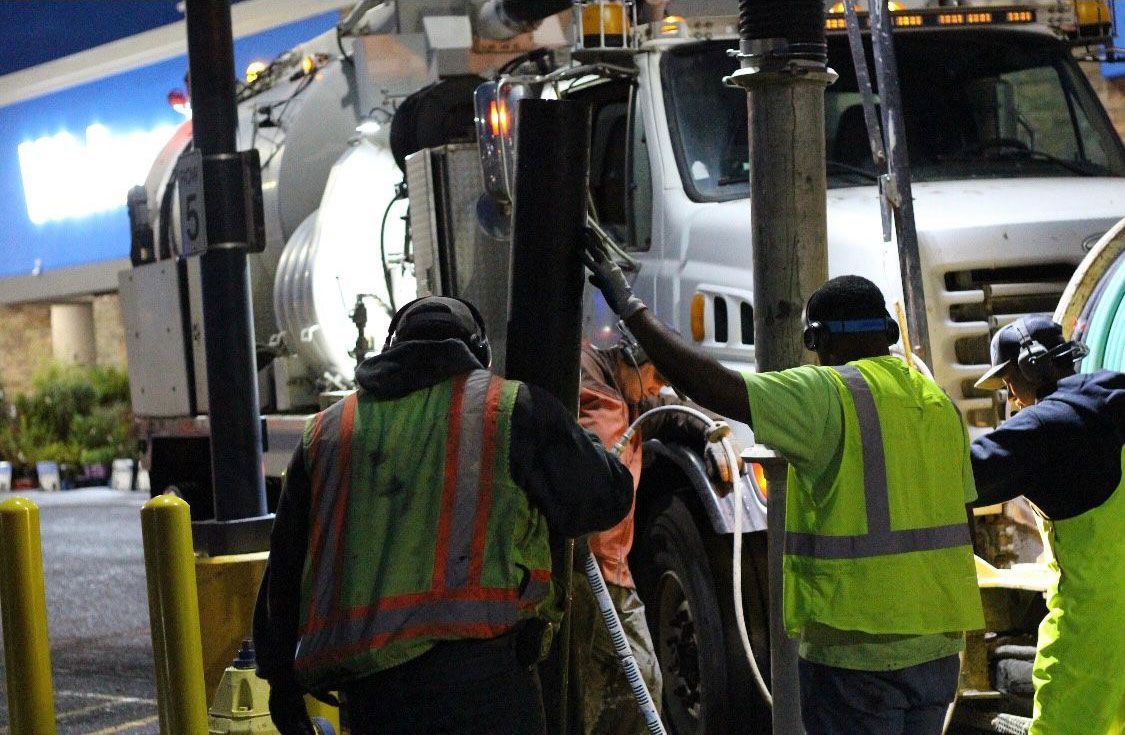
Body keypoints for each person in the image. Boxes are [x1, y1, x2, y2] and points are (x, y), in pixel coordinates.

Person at [583, 240, 984, 735]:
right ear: (888, 332)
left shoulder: (828, 394)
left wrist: (630, 308)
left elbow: (720, 386)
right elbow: (963, 521)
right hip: (937, 654)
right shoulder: (938, 403)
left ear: (817, 339)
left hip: (856, 657)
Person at [253, 295, 634, 735]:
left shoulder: (326, 432)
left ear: (391, 346)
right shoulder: (510, 410)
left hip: (375, 702)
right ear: (479, 351)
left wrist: (281, 683)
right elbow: (607, 496)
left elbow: (283, 573)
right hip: (487, 691)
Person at [970, 315, 1125, 735]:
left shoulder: (1043, 427)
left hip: (1094, 633)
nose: (1012, 397)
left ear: (1030, 366)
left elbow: (961, 477)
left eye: (1007, 382)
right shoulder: (1115, 392)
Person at [573, 336, 666, 733]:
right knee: (637, 683)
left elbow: (668, 408)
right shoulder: (596, 393)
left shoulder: (624, 393)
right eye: (655, 377)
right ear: (631, 358)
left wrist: (713, 429)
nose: (655, 389)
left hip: (608, 570)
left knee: (596, 692)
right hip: (591, 574)